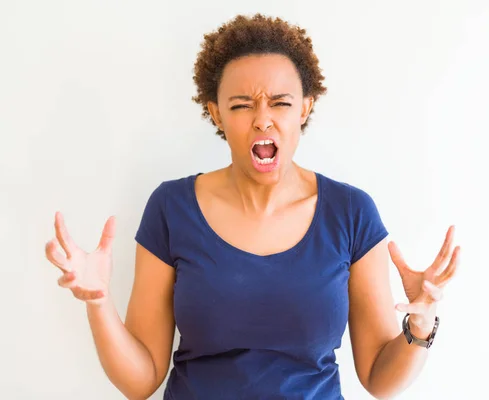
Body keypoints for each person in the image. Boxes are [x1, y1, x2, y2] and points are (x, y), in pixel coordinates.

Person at [45, 13, 460, 400]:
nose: (262, 119)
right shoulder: (171, 208)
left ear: (305, 108)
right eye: (242, 105)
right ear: (216, 113)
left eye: (280, 102)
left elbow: (379, 379)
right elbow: (142, 380)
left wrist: (420, 328)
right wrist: (98, 302)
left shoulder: (350, 212)